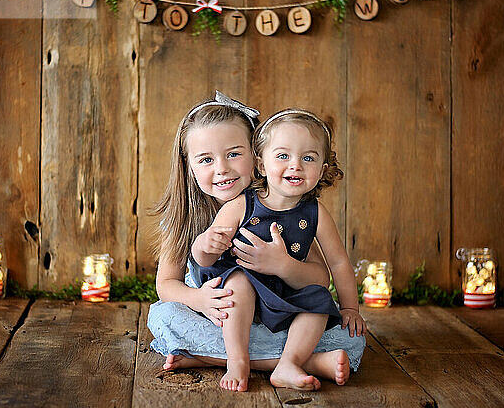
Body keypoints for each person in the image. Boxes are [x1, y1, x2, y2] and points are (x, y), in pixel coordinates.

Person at [147, 93, 365, 391]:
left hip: (280, 313)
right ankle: (307, 362)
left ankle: (207, 356)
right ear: (189, 165)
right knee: (164, 315)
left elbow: (319, 279)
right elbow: (166, 286)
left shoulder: (285, 207)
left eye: (234, 154)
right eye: (207, 159)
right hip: (220, 313)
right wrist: (199, 299)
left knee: (346, 333)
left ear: (257, 157)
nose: (222, 168)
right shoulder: (183, 217)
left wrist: (282, 265)